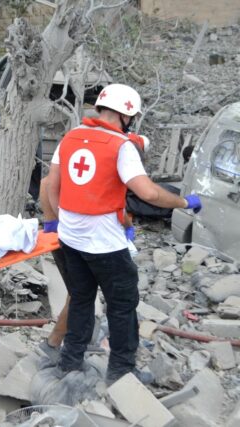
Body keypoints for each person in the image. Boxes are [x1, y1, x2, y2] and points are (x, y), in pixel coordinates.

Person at [46, 83, 202, 384]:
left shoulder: (71, 137)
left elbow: (53, 186)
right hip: (103, 244)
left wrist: (65, 220)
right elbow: (148, 194)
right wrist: (183, 202)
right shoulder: (121, 147)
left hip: (71, 238)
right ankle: (121, 371)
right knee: (122, 304)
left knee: (80, 298)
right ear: (128, 115)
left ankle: (69, 362)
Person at [39, 132, 149, 357]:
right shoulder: (108, 169)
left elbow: (46, 184)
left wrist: (52, 219)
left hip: (63, 235)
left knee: (79, 293)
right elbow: (116, 209)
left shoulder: (79, 161)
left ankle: (67, 343)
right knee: (82, 295)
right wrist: (127, 226)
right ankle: (54, 345)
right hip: (82, 241)